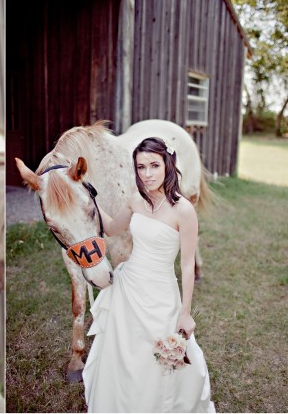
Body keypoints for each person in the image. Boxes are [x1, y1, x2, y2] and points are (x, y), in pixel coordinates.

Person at [82, 137, 214, 412]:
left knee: (157, 360)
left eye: (154, 165)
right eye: (141, 167)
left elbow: (187, 265)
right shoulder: (135, 201)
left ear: (167, 164)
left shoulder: (183, 210)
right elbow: (112, 228)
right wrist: (91, 198)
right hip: (129, 287)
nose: (147, 174)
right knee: (123, 354)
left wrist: (186, 312)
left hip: (161, 293)